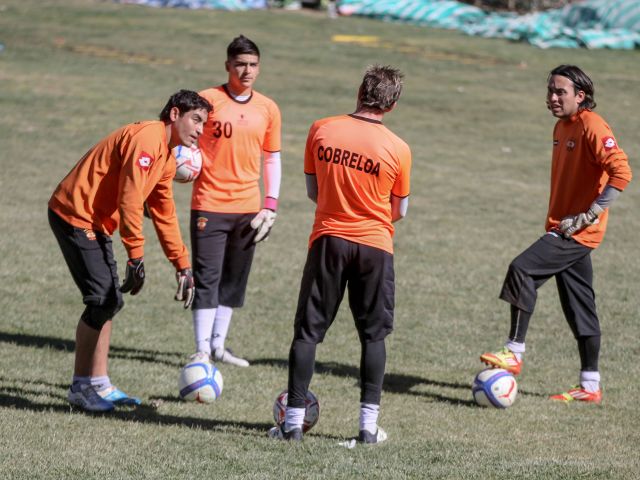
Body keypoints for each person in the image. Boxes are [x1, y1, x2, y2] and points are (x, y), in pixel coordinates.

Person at [268, 65, 412, 443]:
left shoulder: (322, 128)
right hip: (376, 246)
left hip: (328, 240)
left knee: (308, 332)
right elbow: (400, 210)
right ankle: (367, 430)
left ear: (359, 91)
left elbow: (313, 190)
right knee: (373, 337)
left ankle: (293, 425)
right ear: (392, 103)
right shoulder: (399, 148)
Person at [49, 90, 212, 412]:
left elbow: (164, 213)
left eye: (205, 124)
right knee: (102, 299)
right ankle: (81, 387)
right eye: (196, 120)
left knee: (110, 300)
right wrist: (135, 257)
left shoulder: (167, 156)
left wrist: (182, 265)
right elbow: (130, 200)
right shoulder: (148, 139)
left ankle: (98, 384)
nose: (200, 130)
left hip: (95, 223)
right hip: (73, 215)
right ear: (175, 114)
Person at [480, 65, 632, 404]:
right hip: (564, 228)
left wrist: (589, 214)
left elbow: (622, 173)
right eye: (550, 90)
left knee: (522, 269)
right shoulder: (562, 126)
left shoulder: (593, 126)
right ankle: (590, 386)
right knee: (580, 308)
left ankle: (514, 352)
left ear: (581, 95)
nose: (552, 97)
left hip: (575, 232)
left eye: (560, 91)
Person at [189, 35, 282, 368]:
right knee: (207, 277)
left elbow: (271, 157)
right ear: (227, 65)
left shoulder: (268, 108)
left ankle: (218, 347)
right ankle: (200, 349)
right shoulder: (206, 100)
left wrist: (270, 204)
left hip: (248, 209)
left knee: (233, 280)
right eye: (240, 64)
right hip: (209, 204)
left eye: (253, 64)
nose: (247, 70)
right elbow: (184, 142)